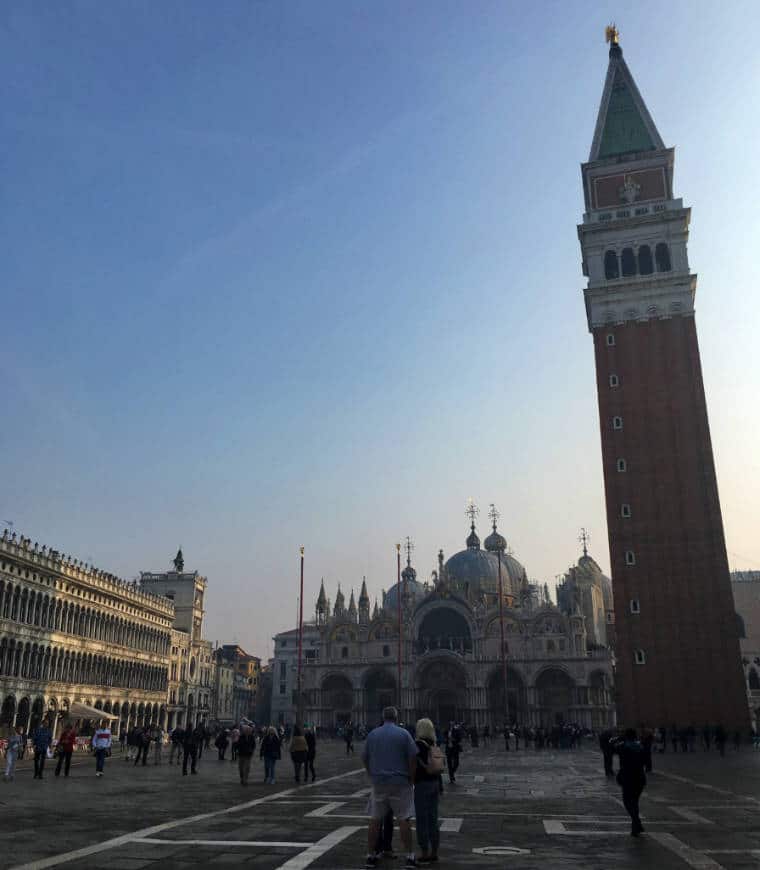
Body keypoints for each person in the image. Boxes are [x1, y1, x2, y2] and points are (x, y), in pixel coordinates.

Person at [362, 706, 418, 869]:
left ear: (382, 717)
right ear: (396, 717)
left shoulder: (373, 734)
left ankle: (371, 855)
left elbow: (364, 757)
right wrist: (411, 779)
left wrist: (371, 774)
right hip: (401, 782)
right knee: (404, 819)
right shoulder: (404, 734)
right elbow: (413, 758)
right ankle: (409, 856)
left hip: (379, 782)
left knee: (375, 820)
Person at [413, 717, 443, 864]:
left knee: (422, 819)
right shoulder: (434, 743)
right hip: (434, 783)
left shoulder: (417, 744)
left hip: (422, 784)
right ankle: (434, 852)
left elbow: (412, 763)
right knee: (433, 818)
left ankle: (424, 852)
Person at [611, 728, 646, 837]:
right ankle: (636, 826)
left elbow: (612, 746)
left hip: (628, 777)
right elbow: (645, 761)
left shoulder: (623, 746)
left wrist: (619, 739)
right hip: (640, 777)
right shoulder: (640, 746)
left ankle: (636, 822)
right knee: (634, 801)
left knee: (627, 802)